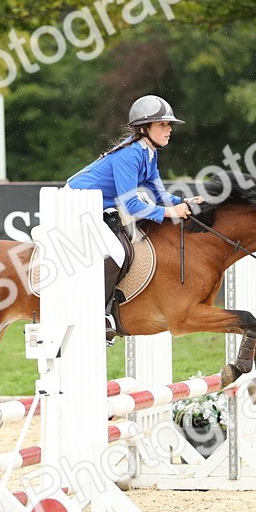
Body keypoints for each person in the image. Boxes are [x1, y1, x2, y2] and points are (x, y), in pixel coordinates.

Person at [65, 95, 203, 340]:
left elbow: (159, 195)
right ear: (143, 129)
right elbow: (130, 203)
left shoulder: (149, 153)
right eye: (162, 124)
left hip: (97, 207)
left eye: (168, 124)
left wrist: (184, 203)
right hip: (74, 205)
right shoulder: (130, 155)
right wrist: (171, 213)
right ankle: (100, 316)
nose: (169, 129)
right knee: (118, 252)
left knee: (129, 248)